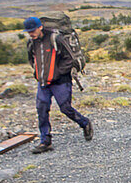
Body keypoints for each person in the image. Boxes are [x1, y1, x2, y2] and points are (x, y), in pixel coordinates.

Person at [24, 16, 92, 153]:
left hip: (61, 81)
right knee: (42, 110)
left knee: (65, 108)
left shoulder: (56, 39)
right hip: (43, 82)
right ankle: (45, 141)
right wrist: (39, 73)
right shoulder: (32, 43)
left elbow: (70, 59)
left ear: (40, 27)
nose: (31, 33)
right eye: (29, 31)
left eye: (33, 30)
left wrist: (57, 72)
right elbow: (32, 59)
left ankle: (85, 123)